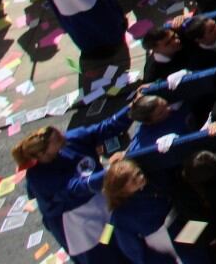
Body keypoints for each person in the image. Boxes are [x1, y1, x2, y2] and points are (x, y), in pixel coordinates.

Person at [12, 101, 134, 262]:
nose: (64, 138)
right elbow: (77, 187)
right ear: (43, 153)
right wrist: (111, 171)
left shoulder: (70, 140)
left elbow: (105, 128)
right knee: (103, 256)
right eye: (57, 140)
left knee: (124, 242)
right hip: (77, 223)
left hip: (99, 202)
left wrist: (132, 109)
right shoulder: (39, 177)